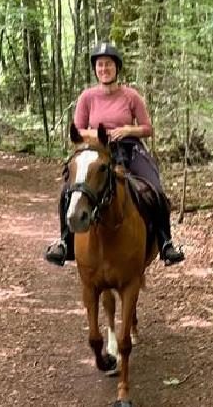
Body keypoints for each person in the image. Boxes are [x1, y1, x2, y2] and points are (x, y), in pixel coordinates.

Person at [45, 41, 184, 267]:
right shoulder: (87, 97)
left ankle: (166, 243)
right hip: (95, 150)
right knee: (68, 191)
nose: (104, 69)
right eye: (100, 65)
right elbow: (77, 130)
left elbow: (148, 128)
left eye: (108, 64)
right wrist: (100, 134)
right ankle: (64, 242)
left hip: (129, 147)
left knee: (155, 189)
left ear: (116, 67)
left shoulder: (131, 96)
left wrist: (128, 129)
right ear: (95, 69)